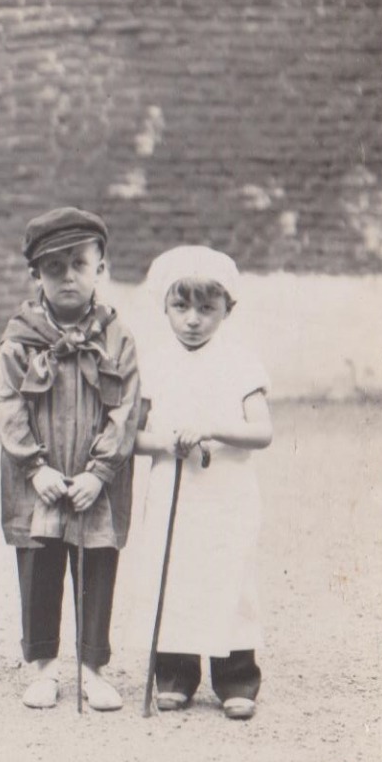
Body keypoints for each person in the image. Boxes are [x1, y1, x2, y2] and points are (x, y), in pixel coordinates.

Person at [0, 207, 140, 712]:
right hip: (41, 478)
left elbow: (126, 407)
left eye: (79, 263)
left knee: (96, 562)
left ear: (101, 267)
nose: (68, 276)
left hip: (98, 480)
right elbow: (7, 403)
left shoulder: (118, 337)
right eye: (54, 268)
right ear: (36, 275)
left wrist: (101, 472)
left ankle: (93, 669)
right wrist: (35, 467)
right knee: (39, 564)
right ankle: (44, 668)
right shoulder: (19, 338)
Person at [130, 246, 273, 721]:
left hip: (225, 490)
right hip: (173, 485)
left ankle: (236, 676)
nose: (193, 320)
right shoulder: (152, 362)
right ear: (164, 307)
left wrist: (212, 426)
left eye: (207, 309)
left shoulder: (241, 363)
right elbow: (132, 437)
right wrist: (166, 442)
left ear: (228, 309)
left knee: (227, 574)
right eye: (181, 307)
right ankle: (174, 674)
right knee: (174, 573)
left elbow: (261, 432)